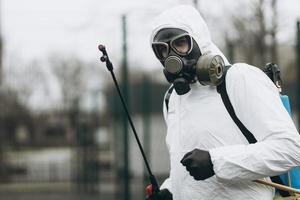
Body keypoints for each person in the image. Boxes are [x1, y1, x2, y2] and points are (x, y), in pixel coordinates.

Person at [147, 5, 300, 200]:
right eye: (161, 50)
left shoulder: (240, 79)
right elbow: (185, 167)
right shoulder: (172, 98)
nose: (171, 57)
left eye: (180, 44)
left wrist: (216, 161)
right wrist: (171, 190)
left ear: (199, 40)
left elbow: (290, 148)